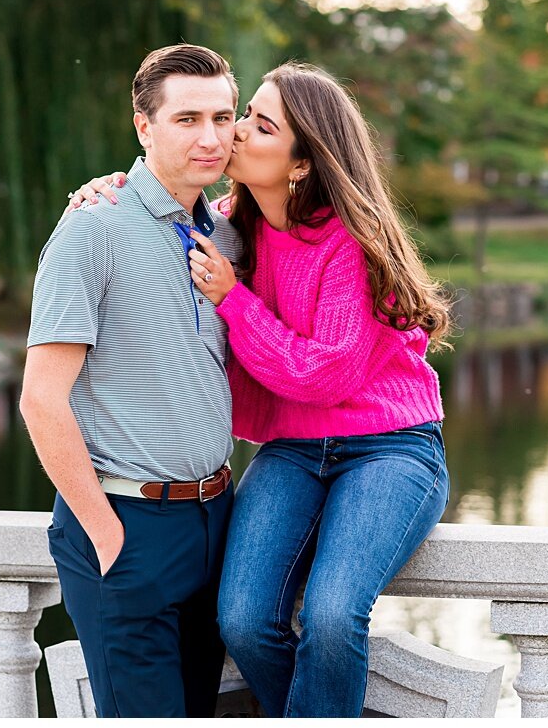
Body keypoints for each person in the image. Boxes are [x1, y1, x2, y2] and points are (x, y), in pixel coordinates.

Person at [71, 61, 451, 718]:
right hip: (293, 451)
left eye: (257, 122)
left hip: (391, 449)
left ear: (301, 162)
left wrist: (233, 298)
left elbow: (324, 372)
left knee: (332, 615)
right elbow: (149, 206)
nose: (233, 132)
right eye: (244, 113)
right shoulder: (222, 227)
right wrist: (104, 192)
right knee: (243, 618)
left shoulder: (346, 243)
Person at [21, 43, 243, 717]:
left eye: (224, 116)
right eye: (187, 119)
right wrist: (104, 531)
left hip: (215, 520)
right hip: (128, 523)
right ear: (144, 126)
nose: (211, 136)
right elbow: (40, 399)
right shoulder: (94, 228)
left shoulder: (226, 237)